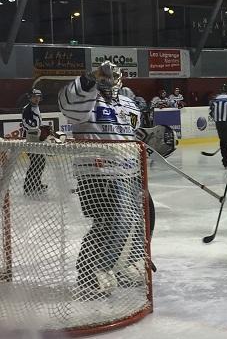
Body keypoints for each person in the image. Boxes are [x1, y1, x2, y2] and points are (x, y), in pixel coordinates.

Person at [58, 61, 155, 299]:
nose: (109, 81)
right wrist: (90, 79)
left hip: (128, 172)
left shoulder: (129, 102)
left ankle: (128, 264)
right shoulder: (86, 98)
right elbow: (67, 104)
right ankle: (94, 271)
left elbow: (131, 135)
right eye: (103, 77)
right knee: (112, 220)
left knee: (145, 216)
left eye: (112, 77)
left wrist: (149, 142)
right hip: (95, 172)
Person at [22, 88, 49, 195]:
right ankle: (30, 186)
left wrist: (41, 128)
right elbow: (27, 124)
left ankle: (33, 184)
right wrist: (39, 129)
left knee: (38, 162)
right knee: (37, 162)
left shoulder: (35, 107)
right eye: (34, 97)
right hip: (32, 138)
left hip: (36, 138)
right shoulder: (27, 109)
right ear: (30, 97)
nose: (37, 99)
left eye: (38, 97)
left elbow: (36, 122)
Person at [209, 83, 227, 168]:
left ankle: (225, 161)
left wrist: (218, 120)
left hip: (219, 124)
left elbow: (211, 113)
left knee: (223, 142)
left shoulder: (214, 100)